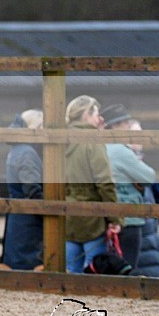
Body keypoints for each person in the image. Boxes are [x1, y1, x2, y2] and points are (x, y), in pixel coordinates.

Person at [101, 104, 159, 277]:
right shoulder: (121, 152)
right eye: (125, 124)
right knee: (130, 267)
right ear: (115, 127)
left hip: (131, 220)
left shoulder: (105, 150)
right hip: (132, 219)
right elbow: (150, 178)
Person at [64, 95, 124, 273]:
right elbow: (105, 183)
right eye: (97, 114)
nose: (100, 119)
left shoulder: (60, 140)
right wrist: (114, 218)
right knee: (94, 269)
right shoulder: (93, 141)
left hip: (67, 214)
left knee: (71, 269)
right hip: (93, 218)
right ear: (86, 115)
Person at [1, 109, 44, 270]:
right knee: (26, 265)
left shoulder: (18, 149)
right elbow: (32, 189)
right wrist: (47, 210)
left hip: (19, 217)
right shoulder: (27, 153)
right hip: (28, 220)